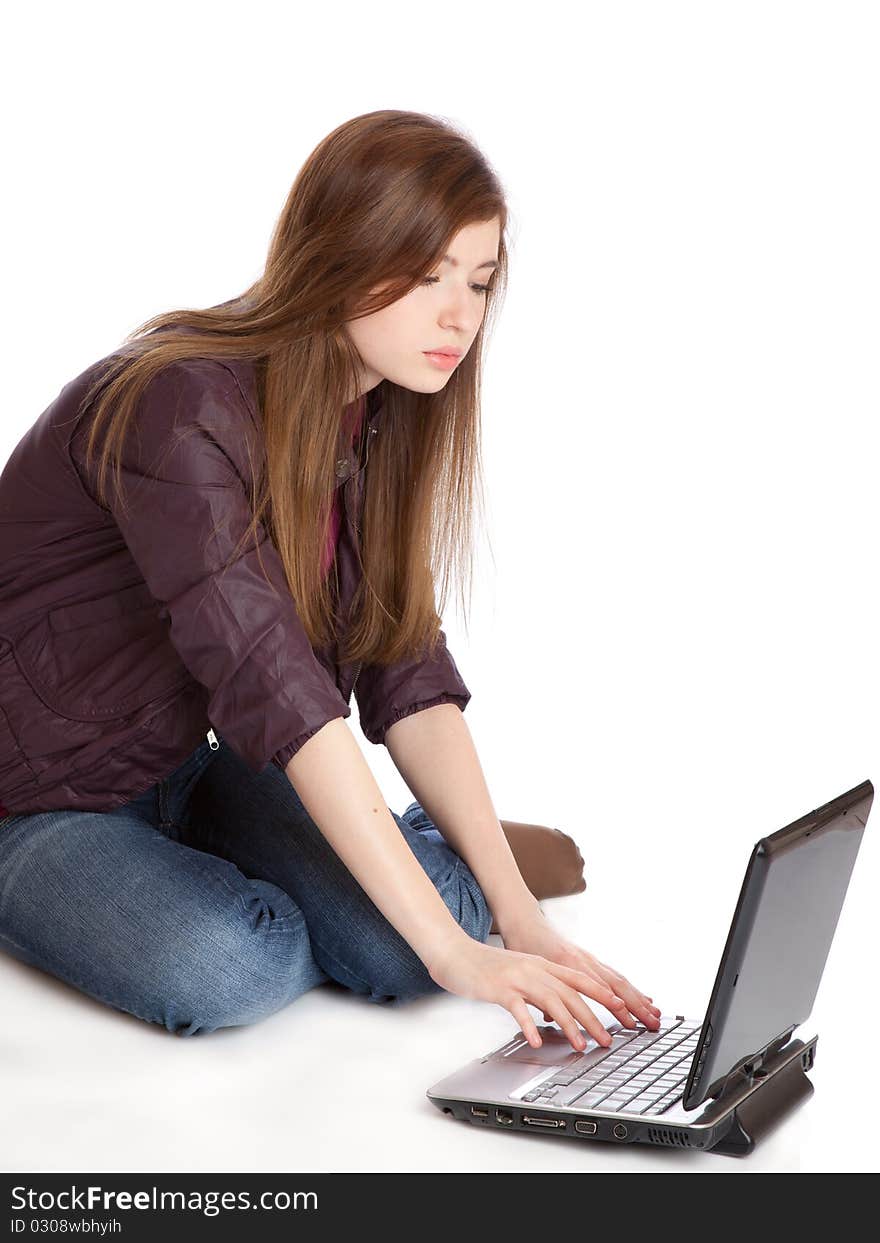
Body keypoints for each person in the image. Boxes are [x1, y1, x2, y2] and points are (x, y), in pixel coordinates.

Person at [0, 109, 661, 1047]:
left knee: (404, 954)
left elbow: (408, 675)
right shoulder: (178, 405)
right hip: (32, 796)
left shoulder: (373, 422)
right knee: (234, 965)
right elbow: (278, 686)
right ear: (338, 254)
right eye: (427, 275)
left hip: (183, 763)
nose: (459, 314)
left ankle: (452, 870)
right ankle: (423, 867)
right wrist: (448, 936)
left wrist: (515, 918)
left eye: (478, 281)